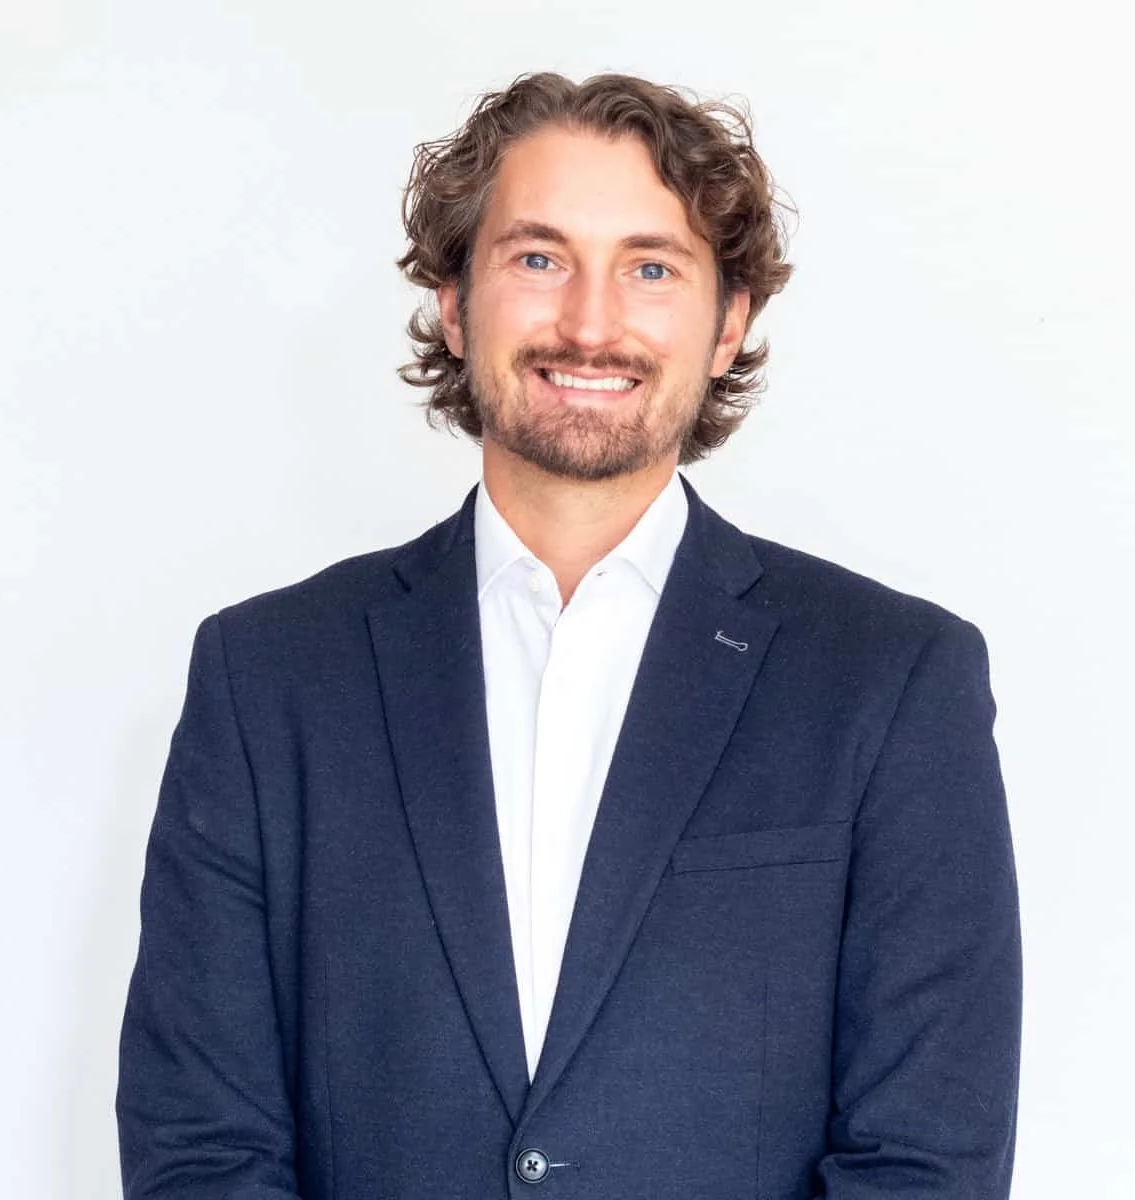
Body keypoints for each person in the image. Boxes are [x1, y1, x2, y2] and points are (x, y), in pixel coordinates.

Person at [117, 72, 1021, 1200]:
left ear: (729, 322)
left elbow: (926, 1160)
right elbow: (200, 1145)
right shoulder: (266, 681)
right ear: (454, 302)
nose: (591, 322)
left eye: (651, 268)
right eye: (538, 258)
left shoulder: (893, 682)